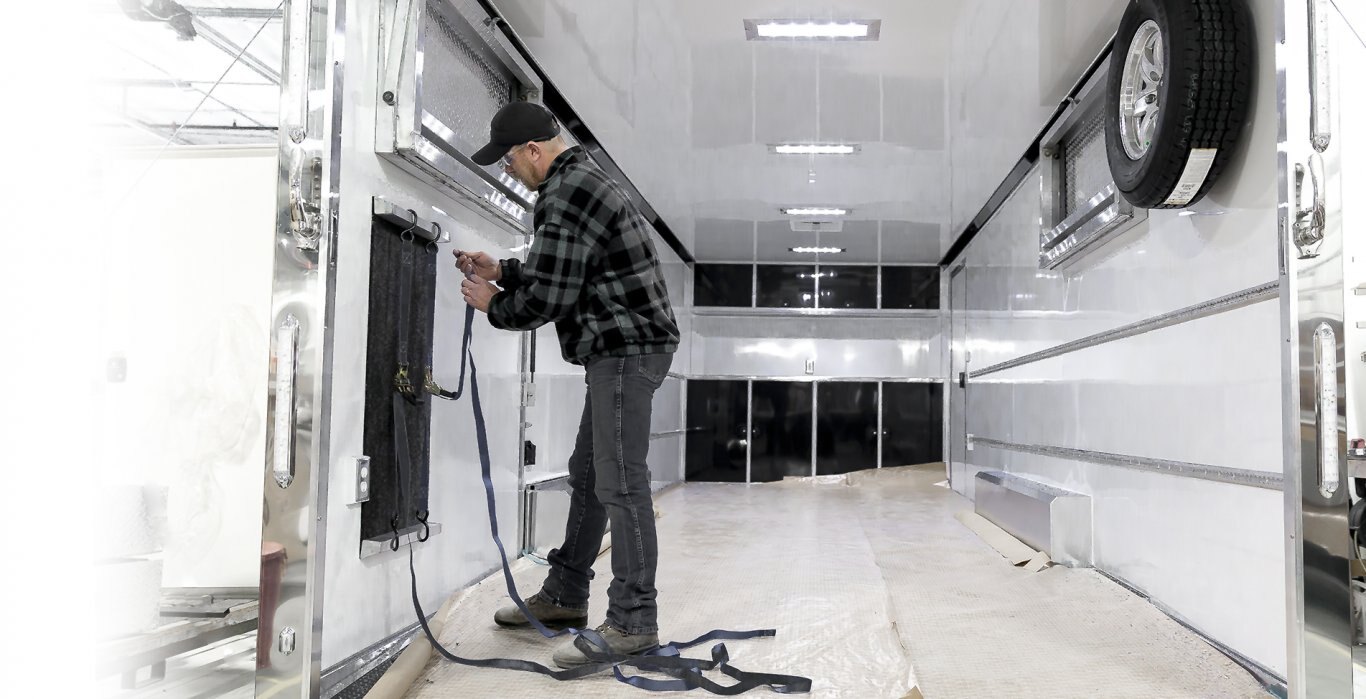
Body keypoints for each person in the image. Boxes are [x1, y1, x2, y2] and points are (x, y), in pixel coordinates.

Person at [456, 101, 680, 669]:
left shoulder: (567, 191)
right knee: (589, 473)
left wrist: (494, 304)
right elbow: (567, 269)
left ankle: (634, 621)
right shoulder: (576, 182)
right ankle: (565, 595)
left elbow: (549, 298)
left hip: (627, 350)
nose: (510, 170)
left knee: (620, 482)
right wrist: (504, 271)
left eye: (509, 160)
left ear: (534, 149)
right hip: (619, 349)